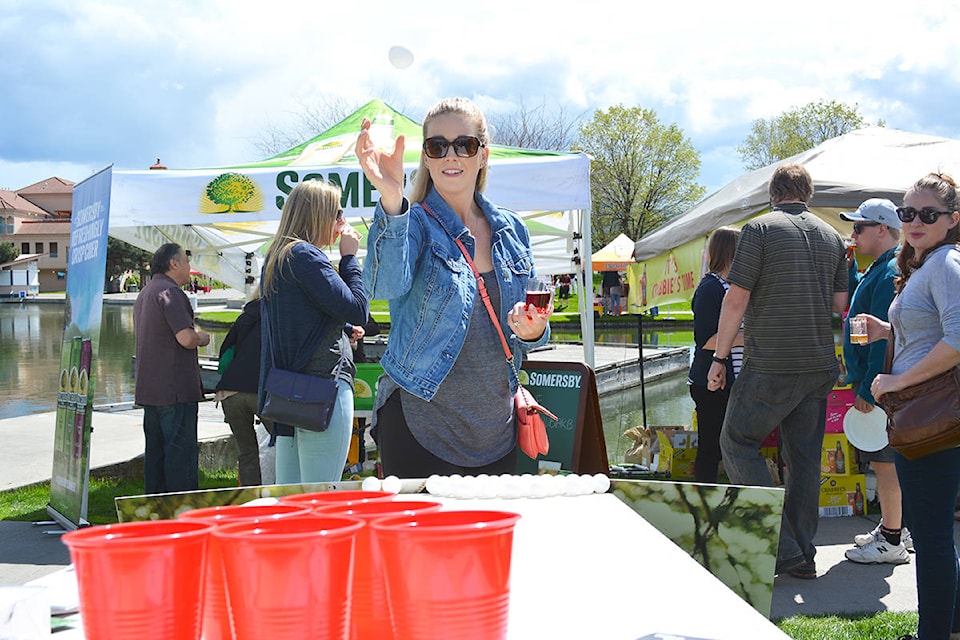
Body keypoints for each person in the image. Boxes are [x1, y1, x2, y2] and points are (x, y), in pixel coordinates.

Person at [357, 96, 551, 478]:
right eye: (437, 146)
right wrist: (392, 197)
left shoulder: (513, 230)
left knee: (489, 538)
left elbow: (534, 326)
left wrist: (535, 329)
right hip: (420, 422)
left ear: (482, 155)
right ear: (426, 157)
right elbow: (380, 285)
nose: (451, 155)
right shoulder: (411, 222)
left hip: (497, 428)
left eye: (465, 144)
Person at [708, 163, 848, 580]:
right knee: (804, 460)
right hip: (819, 363)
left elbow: (736, 299)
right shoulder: (832, 237)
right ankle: (803, 551)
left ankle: (783, 546)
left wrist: (718, 359)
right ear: (807, 194)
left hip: (771, 362)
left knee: (735, 443)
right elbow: (840, 305)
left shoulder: (759, 229)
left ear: (773, 193)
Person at [863, 173, 960, 640]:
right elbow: (932, 331)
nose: (915, 221)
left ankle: (933, 635)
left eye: (928, 214)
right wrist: (889, 330)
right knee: (934, 528)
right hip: (926, 414)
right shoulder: (928, 265)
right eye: (908, 213)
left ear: (952, 219)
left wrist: (898, 379)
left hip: (932, 418)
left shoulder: (945, 263)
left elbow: (959, 339)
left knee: (931, 532)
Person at [259, 179, 368, 484]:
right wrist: (349, 258)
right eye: (337, 214)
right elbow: (359, 307)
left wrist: (343, 327)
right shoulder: (306, 256)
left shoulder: (279, 256)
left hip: (290, 396)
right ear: (318, 215)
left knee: (293, 500)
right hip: (324, 392)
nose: (342, 223)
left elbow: (298, 316)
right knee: (321, 498)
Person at [837, 198, 912, 565]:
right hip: (879, 380)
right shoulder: (880, 268)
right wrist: (850, 272)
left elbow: (880, 335)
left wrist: (867, 388)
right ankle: (892, 526)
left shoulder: (887, 272)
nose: (853, 233)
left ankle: (892, 540)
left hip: (880, 384)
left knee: (884, 464)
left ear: (882, 229)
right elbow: (857, 314)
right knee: (886, 462)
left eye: (859, 227)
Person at [133, 243, 210, 494]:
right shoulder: (171, 292)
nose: (190, 269)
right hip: (175, 390)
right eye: (186, 263)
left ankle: (155, 513)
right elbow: (186, 339)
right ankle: (182, 514)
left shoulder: (145, 293)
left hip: (150, 390)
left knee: (155, 456)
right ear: (173, 263)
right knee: (180, 457)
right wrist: (203, 337)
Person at [688, 227, 743, 483]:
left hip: (730, 380)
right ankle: (704, 497)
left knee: (728, 444)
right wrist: (750, 337)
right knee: (711, 445)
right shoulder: (710, 288)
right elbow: (706, 340)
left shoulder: (732, 287)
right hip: (710, 382)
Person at [215, 291, 267, 486]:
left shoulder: (245, 316)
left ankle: (249, 498)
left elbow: (225, 352)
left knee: (246, 452)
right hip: (261, 389)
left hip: (230, 391)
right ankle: (285, 494)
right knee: (285, 445)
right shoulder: (281, 315)